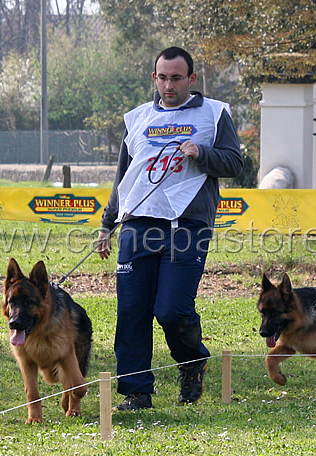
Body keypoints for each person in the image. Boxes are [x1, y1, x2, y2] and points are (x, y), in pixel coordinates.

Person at [96, 46, 243, 410]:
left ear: (191, 79)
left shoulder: (215, 113)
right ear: (154, 78)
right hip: (137, 223)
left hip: (187, 225)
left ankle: (192, 361)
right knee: (132, 309)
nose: (169, 85)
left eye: (176, 78)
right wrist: (107, 224)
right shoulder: (138, 118)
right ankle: (136, 392)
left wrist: (201, 153)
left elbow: (235, 163)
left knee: (172, 310)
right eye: (162, 77)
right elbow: (123, 178)